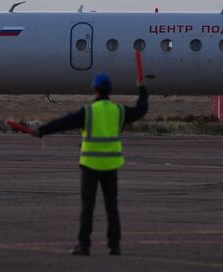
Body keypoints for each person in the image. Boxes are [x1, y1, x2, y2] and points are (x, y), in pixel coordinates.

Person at [30, 73, 148, 256]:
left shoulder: (87, 112)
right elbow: (141, 110)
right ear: (110, 91)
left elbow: (63, 123)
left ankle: (84, 245)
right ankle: (114, 246)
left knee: (88, 208)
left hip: (90, 166)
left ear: (94, 90)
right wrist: (142, 89)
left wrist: (41, 131)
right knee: (112, 208)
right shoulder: (119, 111)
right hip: (110, 166)